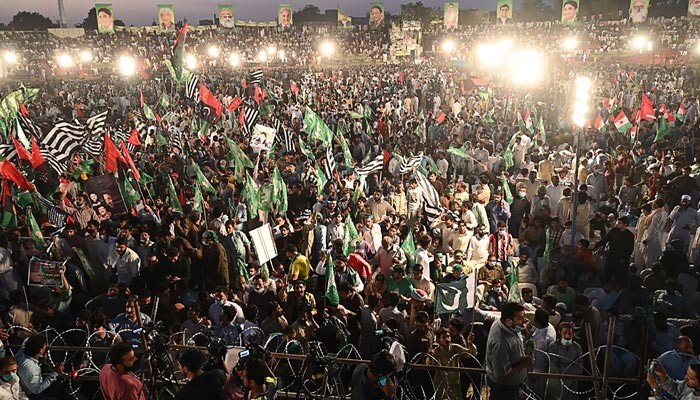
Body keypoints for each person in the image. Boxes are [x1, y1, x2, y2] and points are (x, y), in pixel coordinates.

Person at [485, 302, 534, 399]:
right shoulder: (500, 342)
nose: (524, 321)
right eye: (520, 318)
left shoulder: (508, 326)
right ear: (508, 321)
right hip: (505, 390)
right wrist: (524, 364)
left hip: (515, 386)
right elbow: (501, 374)